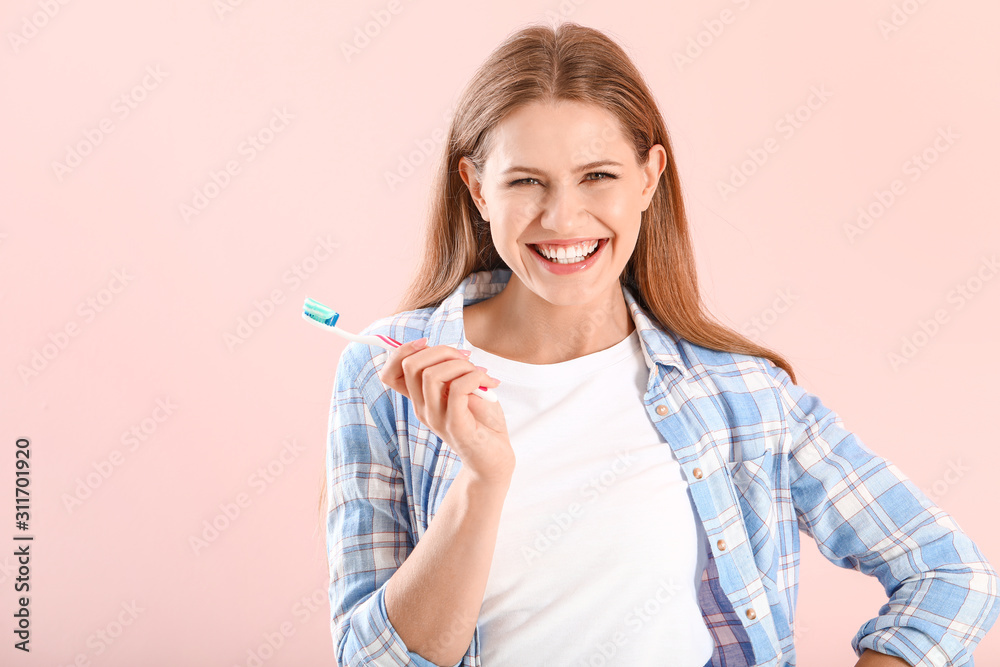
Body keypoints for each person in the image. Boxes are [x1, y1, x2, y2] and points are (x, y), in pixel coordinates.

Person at [321, 21, 999, 667]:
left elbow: (950, 573)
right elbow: (372, 657)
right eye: (526, 181)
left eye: (598, 176)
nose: (562, 218)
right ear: (476, 187)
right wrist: (482, 479)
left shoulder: (741, 393)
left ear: (648, 177)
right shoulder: (386, 374)